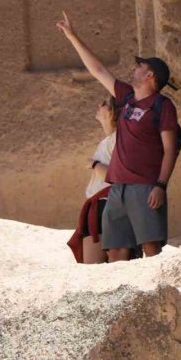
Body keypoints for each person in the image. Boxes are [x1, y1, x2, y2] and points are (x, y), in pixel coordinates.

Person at [57, 11, 179, 261]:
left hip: (145, 185)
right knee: (115, 251)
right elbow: (98, 70)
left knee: (151, 247)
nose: (134, 69)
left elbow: (170, 149)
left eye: (139, 67)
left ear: (150, 76)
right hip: (118, 187)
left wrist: (161, 185)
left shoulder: (162, 105)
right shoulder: (127, 97)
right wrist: (72, 36)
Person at [67, 97, 117, 263]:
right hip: (99, 205)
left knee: (93, 268)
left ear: (112, 113)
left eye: (105, 104)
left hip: (104, 204)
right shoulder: (109, 140)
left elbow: (115, 177)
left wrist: (94, 164)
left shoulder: (118, 139)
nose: (99, 105)